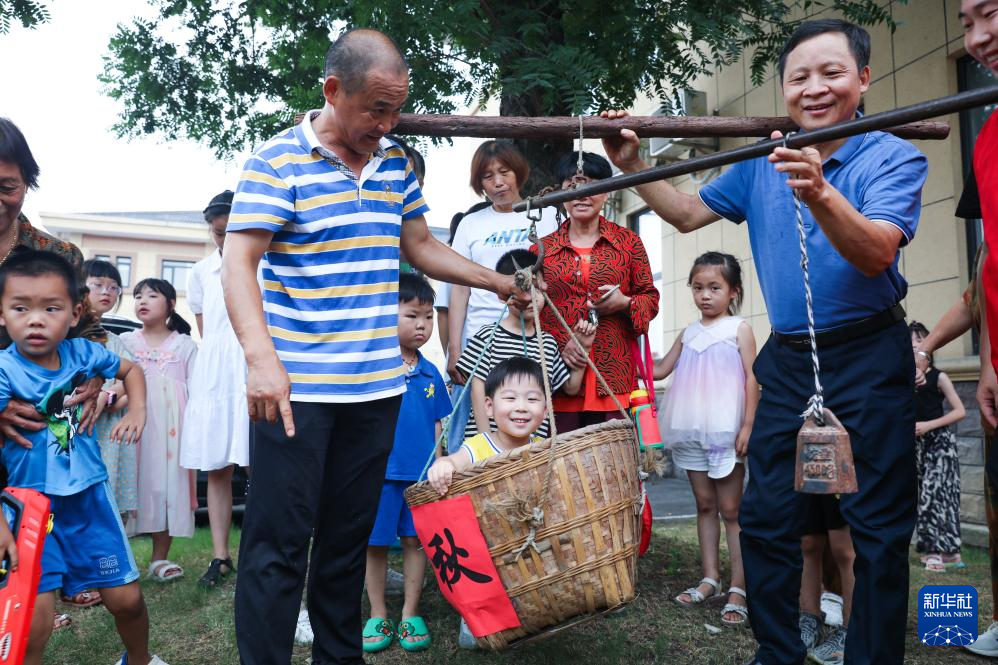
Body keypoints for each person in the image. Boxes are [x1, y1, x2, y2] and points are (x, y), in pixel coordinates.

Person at [602, 18, 927, 664]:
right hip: (790, 359)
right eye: (799, 77)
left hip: (870, 353)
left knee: (877, 529)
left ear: (863, 78)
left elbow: (876, 253)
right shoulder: (761, 162)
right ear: (784, 90)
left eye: (832, 72)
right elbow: (687, 213)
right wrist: (634, 166)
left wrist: (820, 190)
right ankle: (779, 651)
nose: (814, 88)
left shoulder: (893, 156)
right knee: (767, 516)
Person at [221, 28, 532, 665]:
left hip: (376, 392)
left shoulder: (393, 164)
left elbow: (419, 244)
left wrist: (497, 281)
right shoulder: (277, 161)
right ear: (334, 90)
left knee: (346, 541)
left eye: (396, 110)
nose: (388, 125)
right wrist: (261, 361)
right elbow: (238, 263)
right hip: (296, 393)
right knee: (278, 547)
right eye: (377, 109)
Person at [0, 250, 166, 665]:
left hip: (90, 499)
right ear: (1, 314)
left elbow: (131, 371)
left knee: (127, 600)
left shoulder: (83, 354)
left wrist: (138, 411)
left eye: (50, 308)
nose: (35, 320)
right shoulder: (3, 371)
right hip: (29, 509)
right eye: (20, 308)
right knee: (33, 623)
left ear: (75, 313)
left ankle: (140, 659)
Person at [653, 251, 756, 628]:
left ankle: (739, 586)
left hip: (726, 430)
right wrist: (629, 339)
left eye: (714, 287)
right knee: (704, 505)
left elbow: (752, 378)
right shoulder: (689, 332)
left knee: (732, 510)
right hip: (690, 427)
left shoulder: (739, 329)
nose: (705, 295)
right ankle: (710, 578)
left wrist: (748, 425)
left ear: (733, 291)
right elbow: (661, 370)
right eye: (698, 288)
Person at [533, 151, 659, 432]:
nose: (581, 195)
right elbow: (532, 311)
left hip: (614, 375)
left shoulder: (629, 243)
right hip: (560, 375)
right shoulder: (541, 249)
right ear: (560, 194)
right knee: (562, 457)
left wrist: (625, 303)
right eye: (572, 186)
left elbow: (650, 299)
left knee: (613, 457)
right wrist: (562, 346)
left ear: (607, 191)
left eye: (591, 185)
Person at [446, 141, 558, 451]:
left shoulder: (547, 215)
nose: (497, 182)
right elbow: (459, 288)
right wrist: (454, 348)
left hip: (532, 337)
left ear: (518, 172)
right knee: (477, 429)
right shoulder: (470, 224)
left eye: (504, 172)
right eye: (487, 176)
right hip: (483, 343)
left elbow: (553, 277)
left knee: (530, 421)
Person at [362, 273, 449, 654]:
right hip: (379, 474)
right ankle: (377, 612)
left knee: (416, 541)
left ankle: (411, 612)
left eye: (428, 317)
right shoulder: (375, 366)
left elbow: (438, 425)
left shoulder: (432, 373)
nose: (422, 325)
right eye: (412, 316)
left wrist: (439, 466)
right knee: (375, 543)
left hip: (420, 478)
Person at [180, 190, 249, 589]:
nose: (225, 239)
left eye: (231, 230)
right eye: (218, 232)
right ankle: (221, 556)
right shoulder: (201, 272)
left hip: (252, 364)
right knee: (217, 465)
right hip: (217, 373)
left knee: (258, 462)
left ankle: (260, 551)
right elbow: (208, 330)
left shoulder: (265, 262)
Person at [454, 249, 594, 441]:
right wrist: (486, 444)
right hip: (489, 447)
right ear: (503, 294)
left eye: (536, 288)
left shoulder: (547, 343)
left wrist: (583, 349)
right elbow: (477, 393)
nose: (530, 297)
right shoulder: (488, 336)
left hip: (531, 449)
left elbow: (571, 388)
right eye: (523, 289)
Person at [120, 279, 197, 582]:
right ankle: (117, 562)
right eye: (138, 295)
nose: (143, 300)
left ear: (171, 304)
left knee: (168, 487)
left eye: (152, 295)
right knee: (127, 485)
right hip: (132, 427)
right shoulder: (125, 342)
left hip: (171, 432)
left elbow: (196, 390)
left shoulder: (185, 345)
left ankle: (159, 559)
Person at [427, 356, 548, 495]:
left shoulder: (544, 448)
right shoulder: (478, 446)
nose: (521, 407)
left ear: (545, 410)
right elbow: (453, 461)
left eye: (532, 399)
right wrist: (443, 465)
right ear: (490, 406)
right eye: (510, 398)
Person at [84, 259, 138, 534]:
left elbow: (129, 380)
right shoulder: (64, 336)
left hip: (108, 431)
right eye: (98, 285)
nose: (107, 291)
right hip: (78, 428)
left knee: (108, 497)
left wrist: (108, 396)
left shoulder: (114, 341)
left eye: (114, 287)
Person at [909, 321, 967, 571]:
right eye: (910, 343)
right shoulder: (902, 379)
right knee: (923, 494)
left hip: (940, 443)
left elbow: (960, 411)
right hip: (917, 446)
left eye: (920, 341)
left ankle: (937, 552)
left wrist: (928, 425)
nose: (915, 346)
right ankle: (947, 552)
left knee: (939, 496)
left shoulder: (939, 376)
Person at [798, 498, 855, 664]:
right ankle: (809, 620)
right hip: (812, 481)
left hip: (845, 483)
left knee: (843, 545)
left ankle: (851, 632)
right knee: (808, 540)